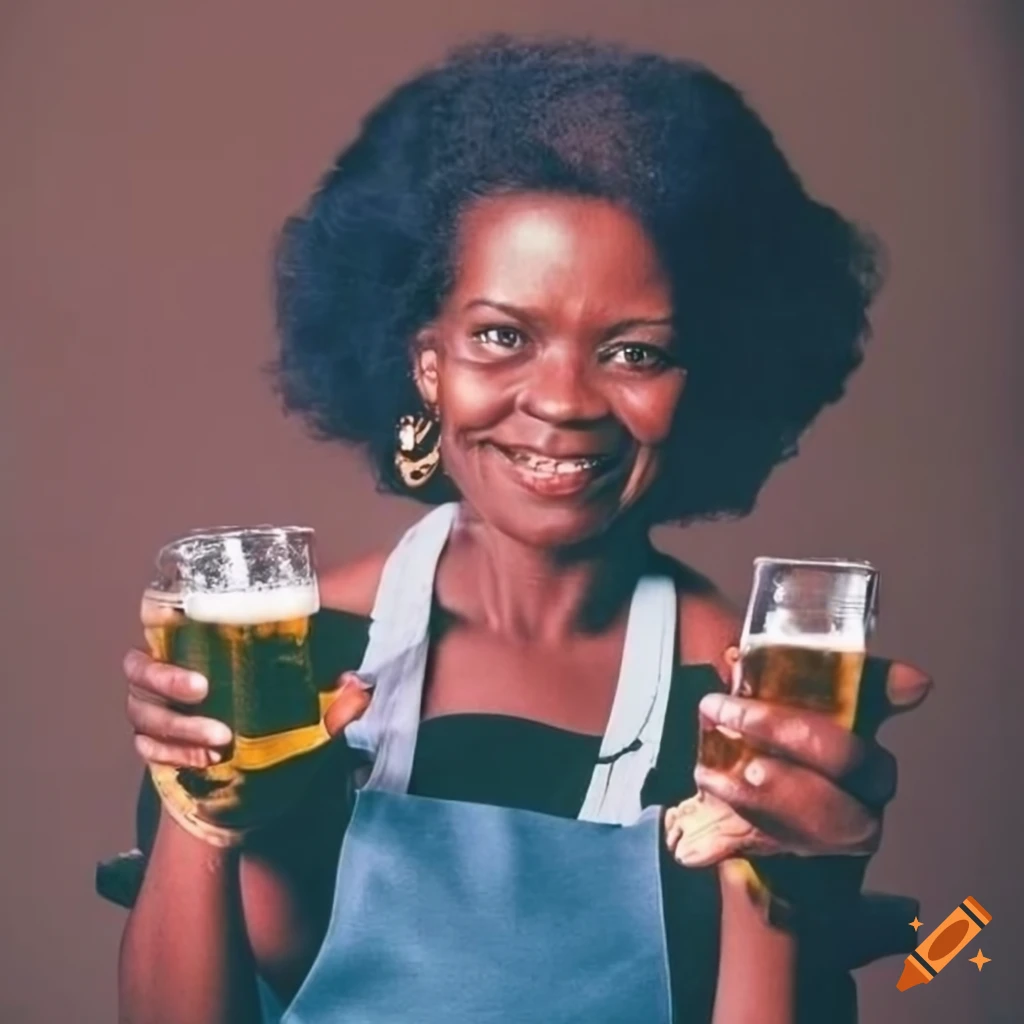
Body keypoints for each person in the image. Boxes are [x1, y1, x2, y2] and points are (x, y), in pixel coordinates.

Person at [109, 35, 932, 1024]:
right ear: (427, 365)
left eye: (633, 352)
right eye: (502, 335)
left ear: (699, 385)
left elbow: (908, 955)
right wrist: (199, 813)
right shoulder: (285, 659)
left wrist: (782, 892)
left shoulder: (747, 699)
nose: (562, 401)